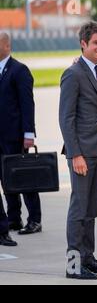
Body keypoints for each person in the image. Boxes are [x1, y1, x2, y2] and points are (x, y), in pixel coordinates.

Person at [59, 21, 97, 280]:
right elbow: (66, 118)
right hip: (82, 153)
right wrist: (75, 154)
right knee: (79, 208)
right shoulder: (73, 74)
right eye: (96, 43)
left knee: (91, 208)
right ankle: (74, 264)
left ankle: (88, 257)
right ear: (83, 44)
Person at [0, 32, 42, 236]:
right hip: (0, 136)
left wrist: (29, 134)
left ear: (7, 46)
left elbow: (27, 104)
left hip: (16, 136)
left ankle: (34, 219)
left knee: (25, 177)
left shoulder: (19, 70)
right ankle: (13, 218)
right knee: (5, 178)